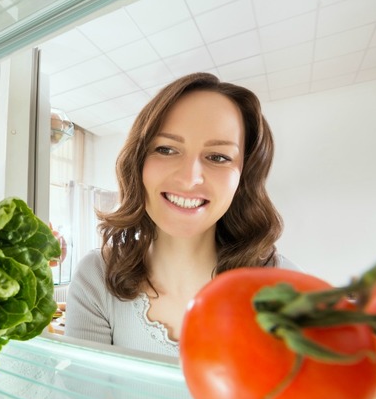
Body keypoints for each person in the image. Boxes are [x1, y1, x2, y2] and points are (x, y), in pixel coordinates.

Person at [65, 72, 298, 356]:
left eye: (219, 157)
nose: (189, 179)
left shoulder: (282, 284)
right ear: (138, 162)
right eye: (166, 149)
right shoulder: (97, 277)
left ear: (243, 177)